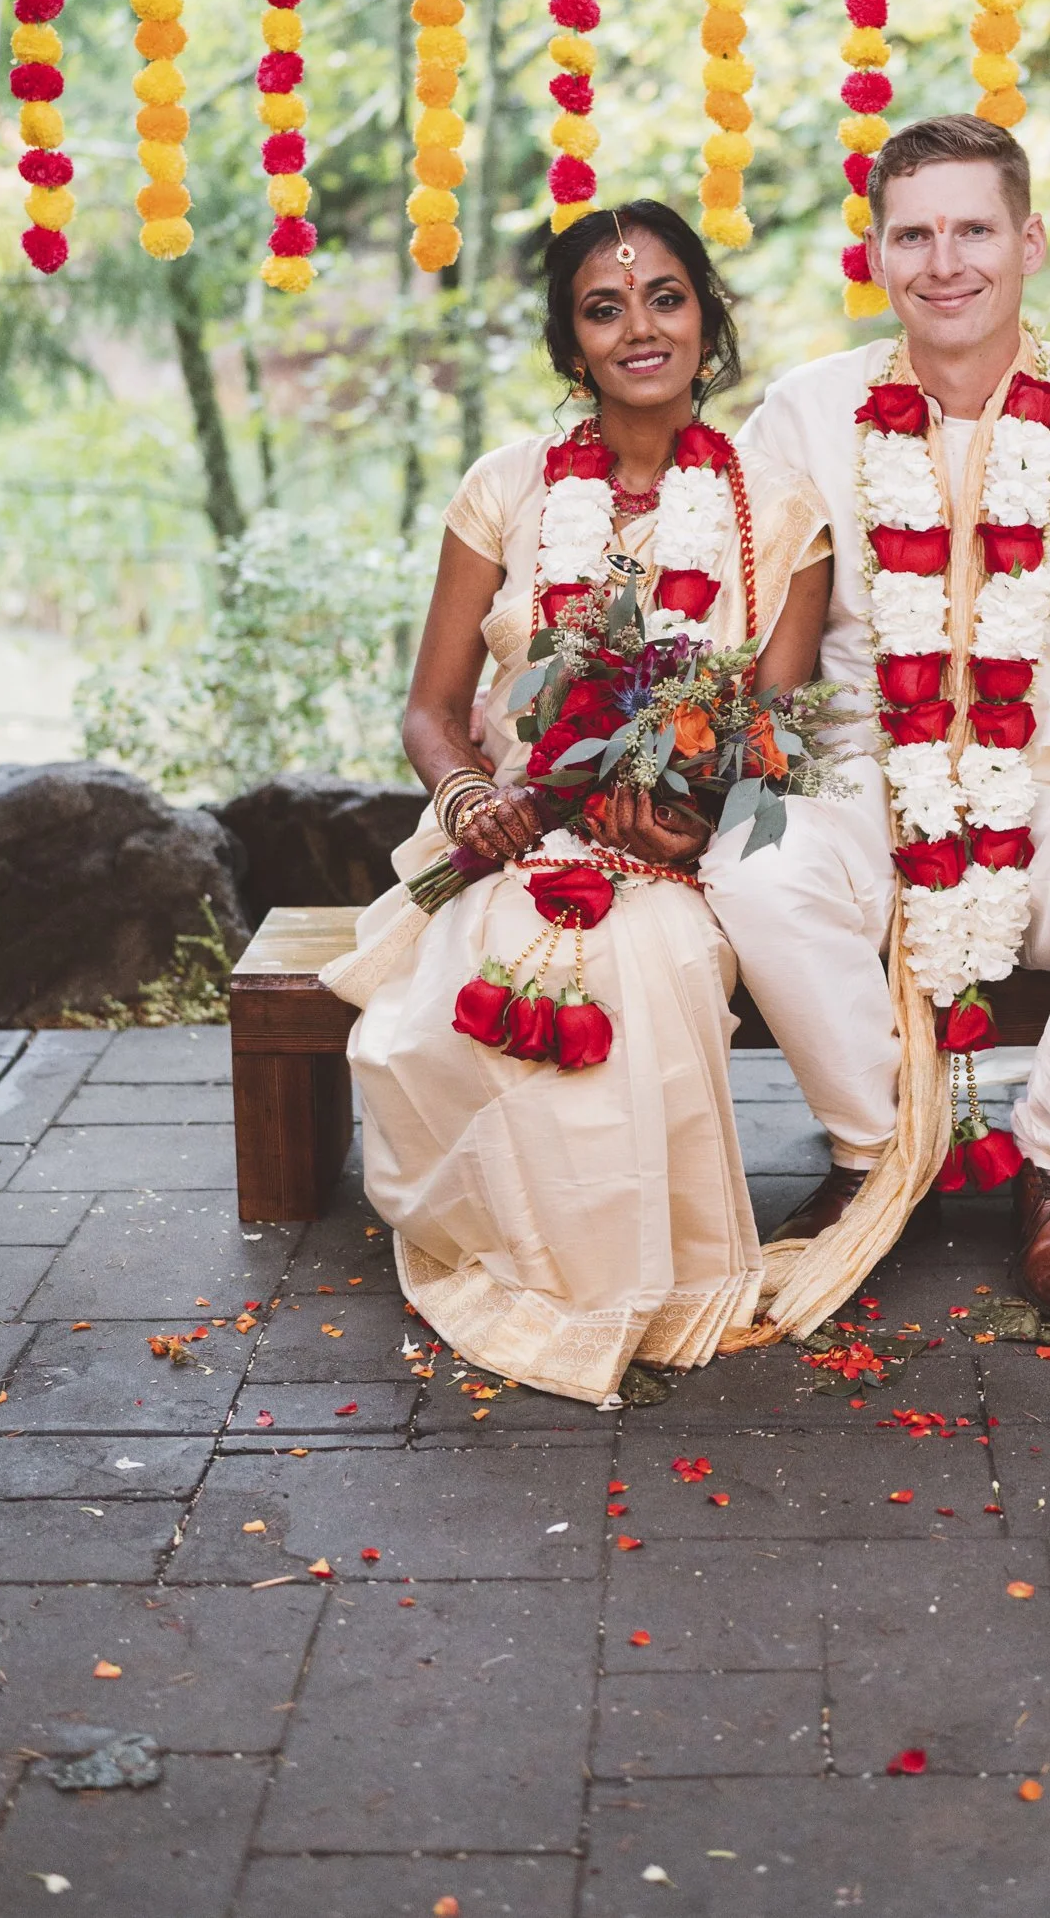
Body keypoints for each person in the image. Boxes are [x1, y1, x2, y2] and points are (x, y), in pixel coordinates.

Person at [705, 116, 1050, 1332]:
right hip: (861, 782)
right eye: (914, 233)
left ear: (1030, 242)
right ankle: (871, 1160)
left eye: (972, 229)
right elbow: (727, 589)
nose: (943, 260)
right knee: (753, 864)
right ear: (878, 254)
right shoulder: (804, 413)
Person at [323, 201, 830, 1408]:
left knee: (636, 959)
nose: (639, 326)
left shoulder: (779, 508)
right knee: (496, 960)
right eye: (603, 308)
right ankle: (541, 1273)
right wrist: (465, 799)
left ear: (705, 317)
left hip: (682, 849)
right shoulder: (506, 490)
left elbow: (775, 721)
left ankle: (618, 1281)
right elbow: (431, 707)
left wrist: (691, 817)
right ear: (570, 343)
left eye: (665, 296)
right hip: (505, 829)